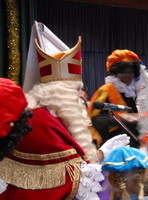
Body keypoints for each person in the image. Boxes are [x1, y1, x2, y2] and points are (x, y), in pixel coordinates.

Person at [0, 22, 130, 200]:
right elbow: (68, 178)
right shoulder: (39, 121)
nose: (81, 96)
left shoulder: (53, 117)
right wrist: (103, 154)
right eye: (75, 89)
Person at [88, 49, 148, 147]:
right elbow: (95, 119)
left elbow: (135, 121)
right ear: (116, 73)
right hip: (112, 146)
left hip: (132, 145)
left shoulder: (129, 94)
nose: (128, 75)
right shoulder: (106, 90)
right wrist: (124, 119)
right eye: (124, 72)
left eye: (131, 72)